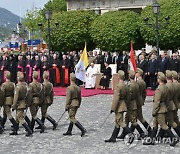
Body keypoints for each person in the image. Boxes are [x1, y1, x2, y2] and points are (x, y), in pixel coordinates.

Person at [143, 72, 178, 146]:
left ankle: (173, 138)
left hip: (159, 109)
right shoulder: (165, 87)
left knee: (163, 125)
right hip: (164, 107)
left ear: (159, 79)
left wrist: (154, 111)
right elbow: (167, 100)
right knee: (155, 124)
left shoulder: (159, 89)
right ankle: (151, 140)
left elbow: (157, 102)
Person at [105, 70, 132, 142]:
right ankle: (113, 137)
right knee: (117, 122)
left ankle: (131, 134)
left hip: (119, 105)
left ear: (119, 77)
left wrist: (113, 108)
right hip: (123, 104)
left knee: (120, 122)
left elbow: (116, 99)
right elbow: (128, 97)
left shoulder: (118, 86)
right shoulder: (125, 85)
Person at [63, 73, 86, 137]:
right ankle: (69, 131)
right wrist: (79, 104)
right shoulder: (78, 87)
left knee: (72, 117)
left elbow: (68, 98)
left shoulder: (69, 88)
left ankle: (82, 129)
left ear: (70, 79)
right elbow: (80, 97)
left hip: (71, 104)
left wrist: (66, 106)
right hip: (76, 103)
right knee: (72, 116)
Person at [11, 72, 33, 137]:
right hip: (24, 103)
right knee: (17, 118)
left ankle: (29, 130)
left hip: (19, 104)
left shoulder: (18, 87)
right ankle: (15, 130)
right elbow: (29, 95)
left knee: (20, 118)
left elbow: (15, 98)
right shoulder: (26, 86)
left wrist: (13, 106)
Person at [135, 68, 151, 135]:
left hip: (137, 101)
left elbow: (136, 92)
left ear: (139, 74)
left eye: (136, 73)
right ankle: (149, 130)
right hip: (140, 100)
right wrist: (143, 100)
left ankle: (142, 131)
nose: (135, 74)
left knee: (134, 118)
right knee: (139, 117)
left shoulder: (139, 82)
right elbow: (144, 93)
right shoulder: (142, 82)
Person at [164, 70, 180, 137]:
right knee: (174, 118)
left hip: (171, 103)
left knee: (171, 119)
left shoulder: (172, 85)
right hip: (176, 103)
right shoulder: (178, 84)